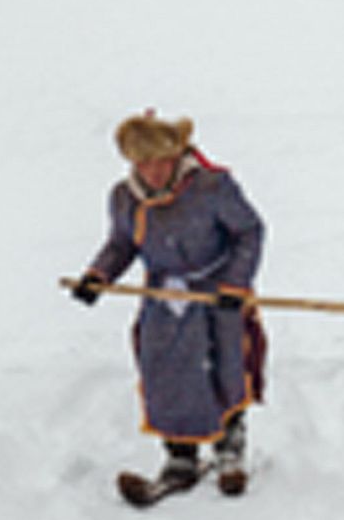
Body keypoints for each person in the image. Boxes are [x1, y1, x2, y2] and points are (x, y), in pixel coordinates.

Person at [70, 111, 266, 497]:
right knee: (166, 373)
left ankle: (229, 449)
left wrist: (234, 283)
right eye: (144, 164)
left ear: (177, 156)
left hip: (217, 294)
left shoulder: (212, 187)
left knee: (225, 366)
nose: (154, 172)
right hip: (164, 299)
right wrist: (98, 275)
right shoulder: (125, 198)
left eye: (162, 162)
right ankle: (180, 456)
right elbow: (122, 244)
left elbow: (249, 231)